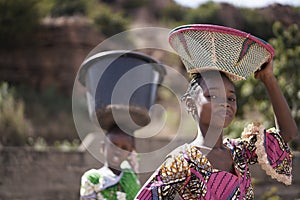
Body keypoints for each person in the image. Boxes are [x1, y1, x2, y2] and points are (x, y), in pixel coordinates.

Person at [135, 24, 298, 200]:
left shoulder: (239, 152)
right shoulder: (182, 160)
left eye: (231, 98)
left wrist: (268, 79)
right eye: (212, 96)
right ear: (190, 103)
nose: (225, 104)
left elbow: (287, 134)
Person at [80, 125, 140, 200]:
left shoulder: (131, 178)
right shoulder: (92, 178)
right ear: (103, 147)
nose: (118, 151)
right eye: (113, 145)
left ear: (129, 152)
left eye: (124, 148)